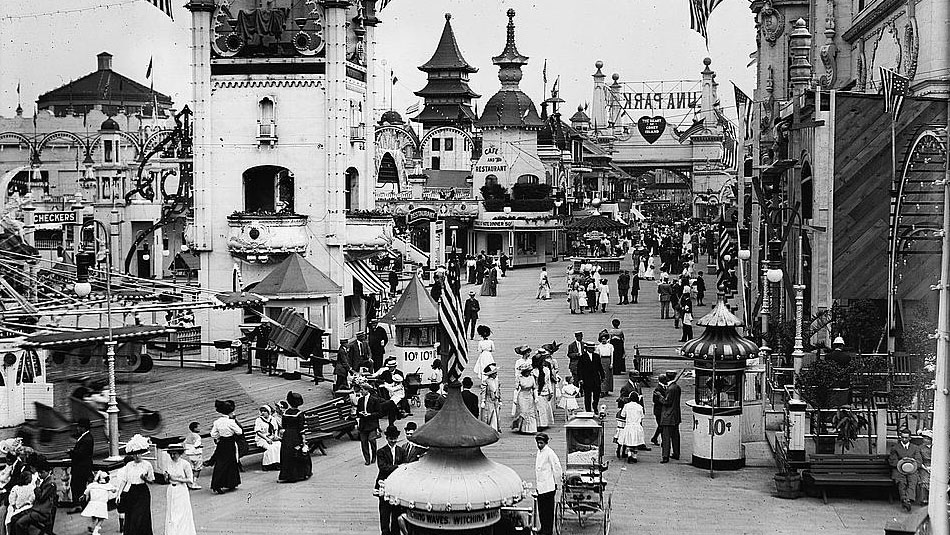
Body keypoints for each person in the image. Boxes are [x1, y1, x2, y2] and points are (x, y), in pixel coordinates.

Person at [114, 436, 154, 535]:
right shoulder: (129, 465)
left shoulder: (147, 465)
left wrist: (145, 478)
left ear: (142, 452)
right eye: (134, 454)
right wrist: (118, 494)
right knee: (131, 516)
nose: (136, 456)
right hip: (132, 492)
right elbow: (124, 480)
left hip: (143, 492)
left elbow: (152, 480)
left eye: (138, 453)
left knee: (141, 516)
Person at [8, 456, 56, 535]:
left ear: (47, 472)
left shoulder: (51, 483)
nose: (39, 475)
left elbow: (41, 497)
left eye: (41, 473)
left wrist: (37, 487)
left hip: (42, 513)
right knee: (13, 518)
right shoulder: (46, 481)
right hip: (37, 509)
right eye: (39, 473)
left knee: (19, 523)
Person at [376, 426, 407, 535]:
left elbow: (405, 466)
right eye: (391, 439)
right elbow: (382, 467)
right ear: (387, 438)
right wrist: (398, 467)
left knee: (396, 511)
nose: (393, 441)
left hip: (397, 485)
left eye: (395, 438)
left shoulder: (401, 451)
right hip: (384, 483)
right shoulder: (381, 452)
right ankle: (385, 532)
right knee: (384, 512)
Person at [163, 443, 197, 535]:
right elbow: (166, 479)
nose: (172, 456)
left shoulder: (185, 464)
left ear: (179, 453)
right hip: (171, 490)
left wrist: (176, 478)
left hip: (181, 490)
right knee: (171, 512)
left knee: (181, 513)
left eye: (174, 453)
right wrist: (166, 477)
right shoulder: (168, 463)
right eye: (171, 454)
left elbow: (190, 480)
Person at [209, 399, 242, 494]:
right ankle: (231, 482)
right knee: (231, 462)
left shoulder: (217, 422)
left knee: (220, 463)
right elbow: (239, 432)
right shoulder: (230, 422)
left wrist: (219, 436)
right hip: (230, 442)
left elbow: (213, 434)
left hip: (222, 442)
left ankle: (216, 484)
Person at [279, 391, 312, 483]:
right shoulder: (299, 414)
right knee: (298, 453)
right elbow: (301, 428)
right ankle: (300, 474)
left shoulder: (285, 413)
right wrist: (304, 439)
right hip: (296, 435)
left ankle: (286, 475)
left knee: (287, 454)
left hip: (287, 436)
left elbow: (283, 425)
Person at [889, 428, 925, 511]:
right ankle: (904, 499)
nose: (904, 439)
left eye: (906, 437)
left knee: (913, 481)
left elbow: (919, 460)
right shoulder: (895, 448)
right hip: (898, 470)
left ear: (910, 438)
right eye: (902, 437)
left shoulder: (915, 448)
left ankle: (908, 500)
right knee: (901, 482)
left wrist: (912, 462)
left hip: (912, 469)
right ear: (900, 437)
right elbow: (892, 461)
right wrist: (901, 462)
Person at [534, 433, 562, 535]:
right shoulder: (539, 452)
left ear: (546, 443)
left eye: (541, 443)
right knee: (541, 510)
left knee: (548, 511)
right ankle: (543, 528)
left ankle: (548, 531)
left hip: (549, 487)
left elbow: (557, 468)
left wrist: (557, 482)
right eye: (538, 443)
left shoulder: (550, 453)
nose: (539, 445)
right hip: (540, 487)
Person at [68, 417, 94, 514]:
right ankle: (80, 504)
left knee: (77, 486)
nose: (77, 429)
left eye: (79, 427)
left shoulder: (86, 439)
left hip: (81, 467)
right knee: (78, 486)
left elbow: (81, 454)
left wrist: (71, 453)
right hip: (82, 467)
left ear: (83, 428)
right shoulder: (86, 437)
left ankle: (78, 505)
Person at [352, 382, 381, 465]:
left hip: (372, 423)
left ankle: (374, 455)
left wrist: (370, 414)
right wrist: (360, 414)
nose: (361, 391)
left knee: (372, 440)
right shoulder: (360, 400)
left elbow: (379, 413)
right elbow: (357, 412)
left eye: (362, 390)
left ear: (367, 390)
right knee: (363, 442)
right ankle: (367, 459)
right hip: (363, 424)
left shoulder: (374, 400)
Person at [80, 471, 114, 535]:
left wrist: (83, 495)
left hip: (93, 503)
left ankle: (92, 525)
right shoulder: (107, 486)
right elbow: (114, 490)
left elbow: (86, 490)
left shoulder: (92, 485)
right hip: (102, 504)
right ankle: (96, 529)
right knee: (102, 518)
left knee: (94, 515)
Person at [659, 371, 682, 463]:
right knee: (675, 436)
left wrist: (660, 397)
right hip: (676, 415)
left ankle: (665, 456)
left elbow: (667, 402)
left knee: (666, 437)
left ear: (667, 378)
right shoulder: (677, 387)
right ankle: (676, 453)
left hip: (668, 416)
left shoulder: (670, 389)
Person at [617, 392, 646, 463]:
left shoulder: (626, 406)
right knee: (635, 442)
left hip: (629, 426)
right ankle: (634, 457)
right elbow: (642, 416)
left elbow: (623, 415)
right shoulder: (640, 407)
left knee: (629, 442)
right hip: (637, 426)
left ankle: (629, 455)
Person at [254, 405, 282, 471]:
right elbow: (258, 432)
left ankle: (278, 462)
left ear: (268, 412)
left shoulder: (272, 419)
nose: (263, 413)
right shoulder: (259, 420)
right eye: (262, 411)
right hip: (262, 438)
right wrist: (267, 439)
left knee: (278, 445)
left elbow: (275, 429)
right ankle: (267, 464)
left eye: (265, 411)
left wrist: (275, 435)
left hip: (271, 437)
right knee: (270, 447)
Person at [514, 364, 539, 434]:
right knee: (523, 411)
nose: (528, 373)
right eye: (527, 371)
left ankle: (530, 429)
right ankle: (521, 427)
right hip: (522, 395)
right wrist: (515, 399)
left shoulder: (532, 378)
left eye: (529, 371)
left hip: (529, 396)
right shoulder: (519, 377)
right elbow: (516, 389)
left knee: (530, 412)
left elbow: (534, 388)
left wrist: (536, 397)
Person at [479, 363, 502, 432]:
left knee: (496, 415)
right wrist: (483, 401)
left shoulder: (497, 381)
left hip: (496, 401)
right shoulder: (486, 382)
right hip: (489, 400)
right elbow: (483, 392)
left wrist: (500, 400)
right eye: (494, 373)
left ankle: (496, 429)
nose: (496, 374)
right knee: (489, 416)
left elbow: (499, 391)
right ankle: (488, 429)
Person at [649, 369, 669, 446]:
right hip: (659, 410)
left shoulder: (664, 387)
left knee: (661, 426)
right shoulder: (658, 389)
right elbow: (655, 400)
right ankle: (661, 440)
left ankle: (655, 438)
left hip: (662, 410)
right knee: (661, 426)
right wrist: (663, 400)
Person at [183, 422, 203, 490]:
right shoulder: (198, 436)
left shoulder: (188, 436)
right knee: (197, 469)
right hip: (196, 454)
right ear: (195, 428)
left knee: (191, 469)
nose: (200, 428)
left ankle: (189, 482)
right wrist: (200, 446)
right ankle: (194, 483)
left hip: (189, 454)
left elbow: (184, 443)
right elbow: (197, 445)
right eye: (198, 427)